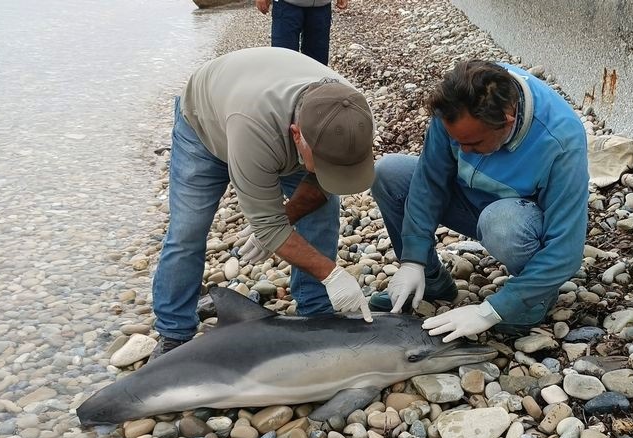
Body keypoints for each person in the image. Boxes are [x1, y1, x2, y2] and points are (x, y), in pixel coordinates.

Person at [152, 47, 376, 359]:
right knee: (187, 231)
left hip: (264, 114)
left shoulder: (350, 115)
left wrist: (290, 214)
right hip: (204, 124)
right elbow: (270, 229)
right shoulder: (253, 130)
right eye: (324, 164)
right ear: (297, 136)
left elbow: (320, 187)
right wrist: (333, 274)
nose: (330, 174)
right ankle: (174, 331)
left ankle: (316, 311)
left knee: (323, 210)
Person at [369, 60, 589, 341]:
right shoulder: (456, 103)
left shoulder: (560, 140)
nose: (463, 151)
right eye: (456, 141)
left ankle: (532, 298)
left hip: (517, 221)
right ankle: (431, 281)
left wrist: (491, 311)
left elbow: (566, 251)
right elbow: (428, 183)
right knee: (389, 174)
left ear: (507, 121)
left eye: (473, 144)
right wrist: (413, 259)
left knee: (502, 222)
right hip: (467, 200)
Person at [255, 0, 349, 66]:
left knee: (317, 64)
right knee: (283, 59)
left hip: (321, 6)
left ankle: (313, 93)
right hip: (286, 6)